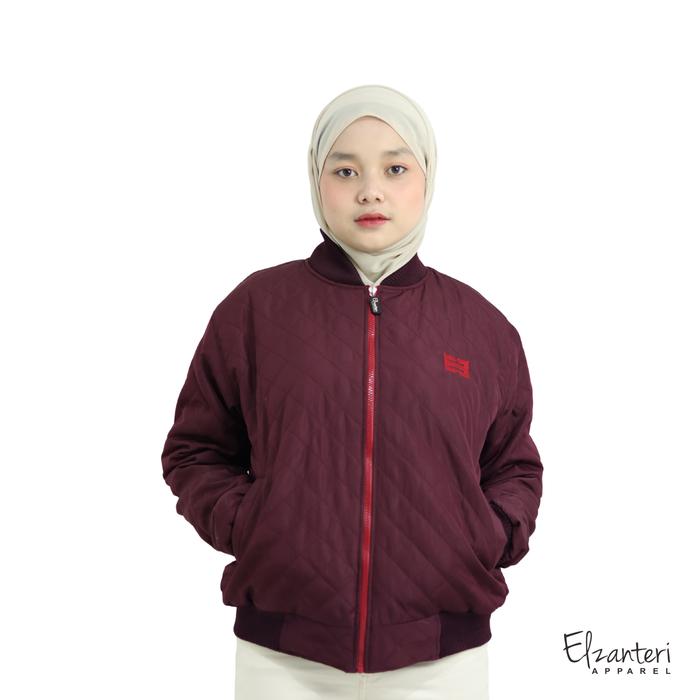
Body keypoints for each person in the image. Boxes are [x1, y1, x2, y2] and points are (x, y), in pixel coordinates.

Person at [161, 84, 544, 699]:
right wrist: (255, 527)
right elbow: (195, 450)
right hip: (283, 660)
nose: (370, 190)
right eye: (345, 171)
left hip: (443, 659)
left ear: (427, 177)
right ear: (317, 180)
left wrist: (487, 535)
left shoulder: (481, 327)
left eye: (395, 168)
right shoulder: (257, 309)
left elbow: (513, 465)